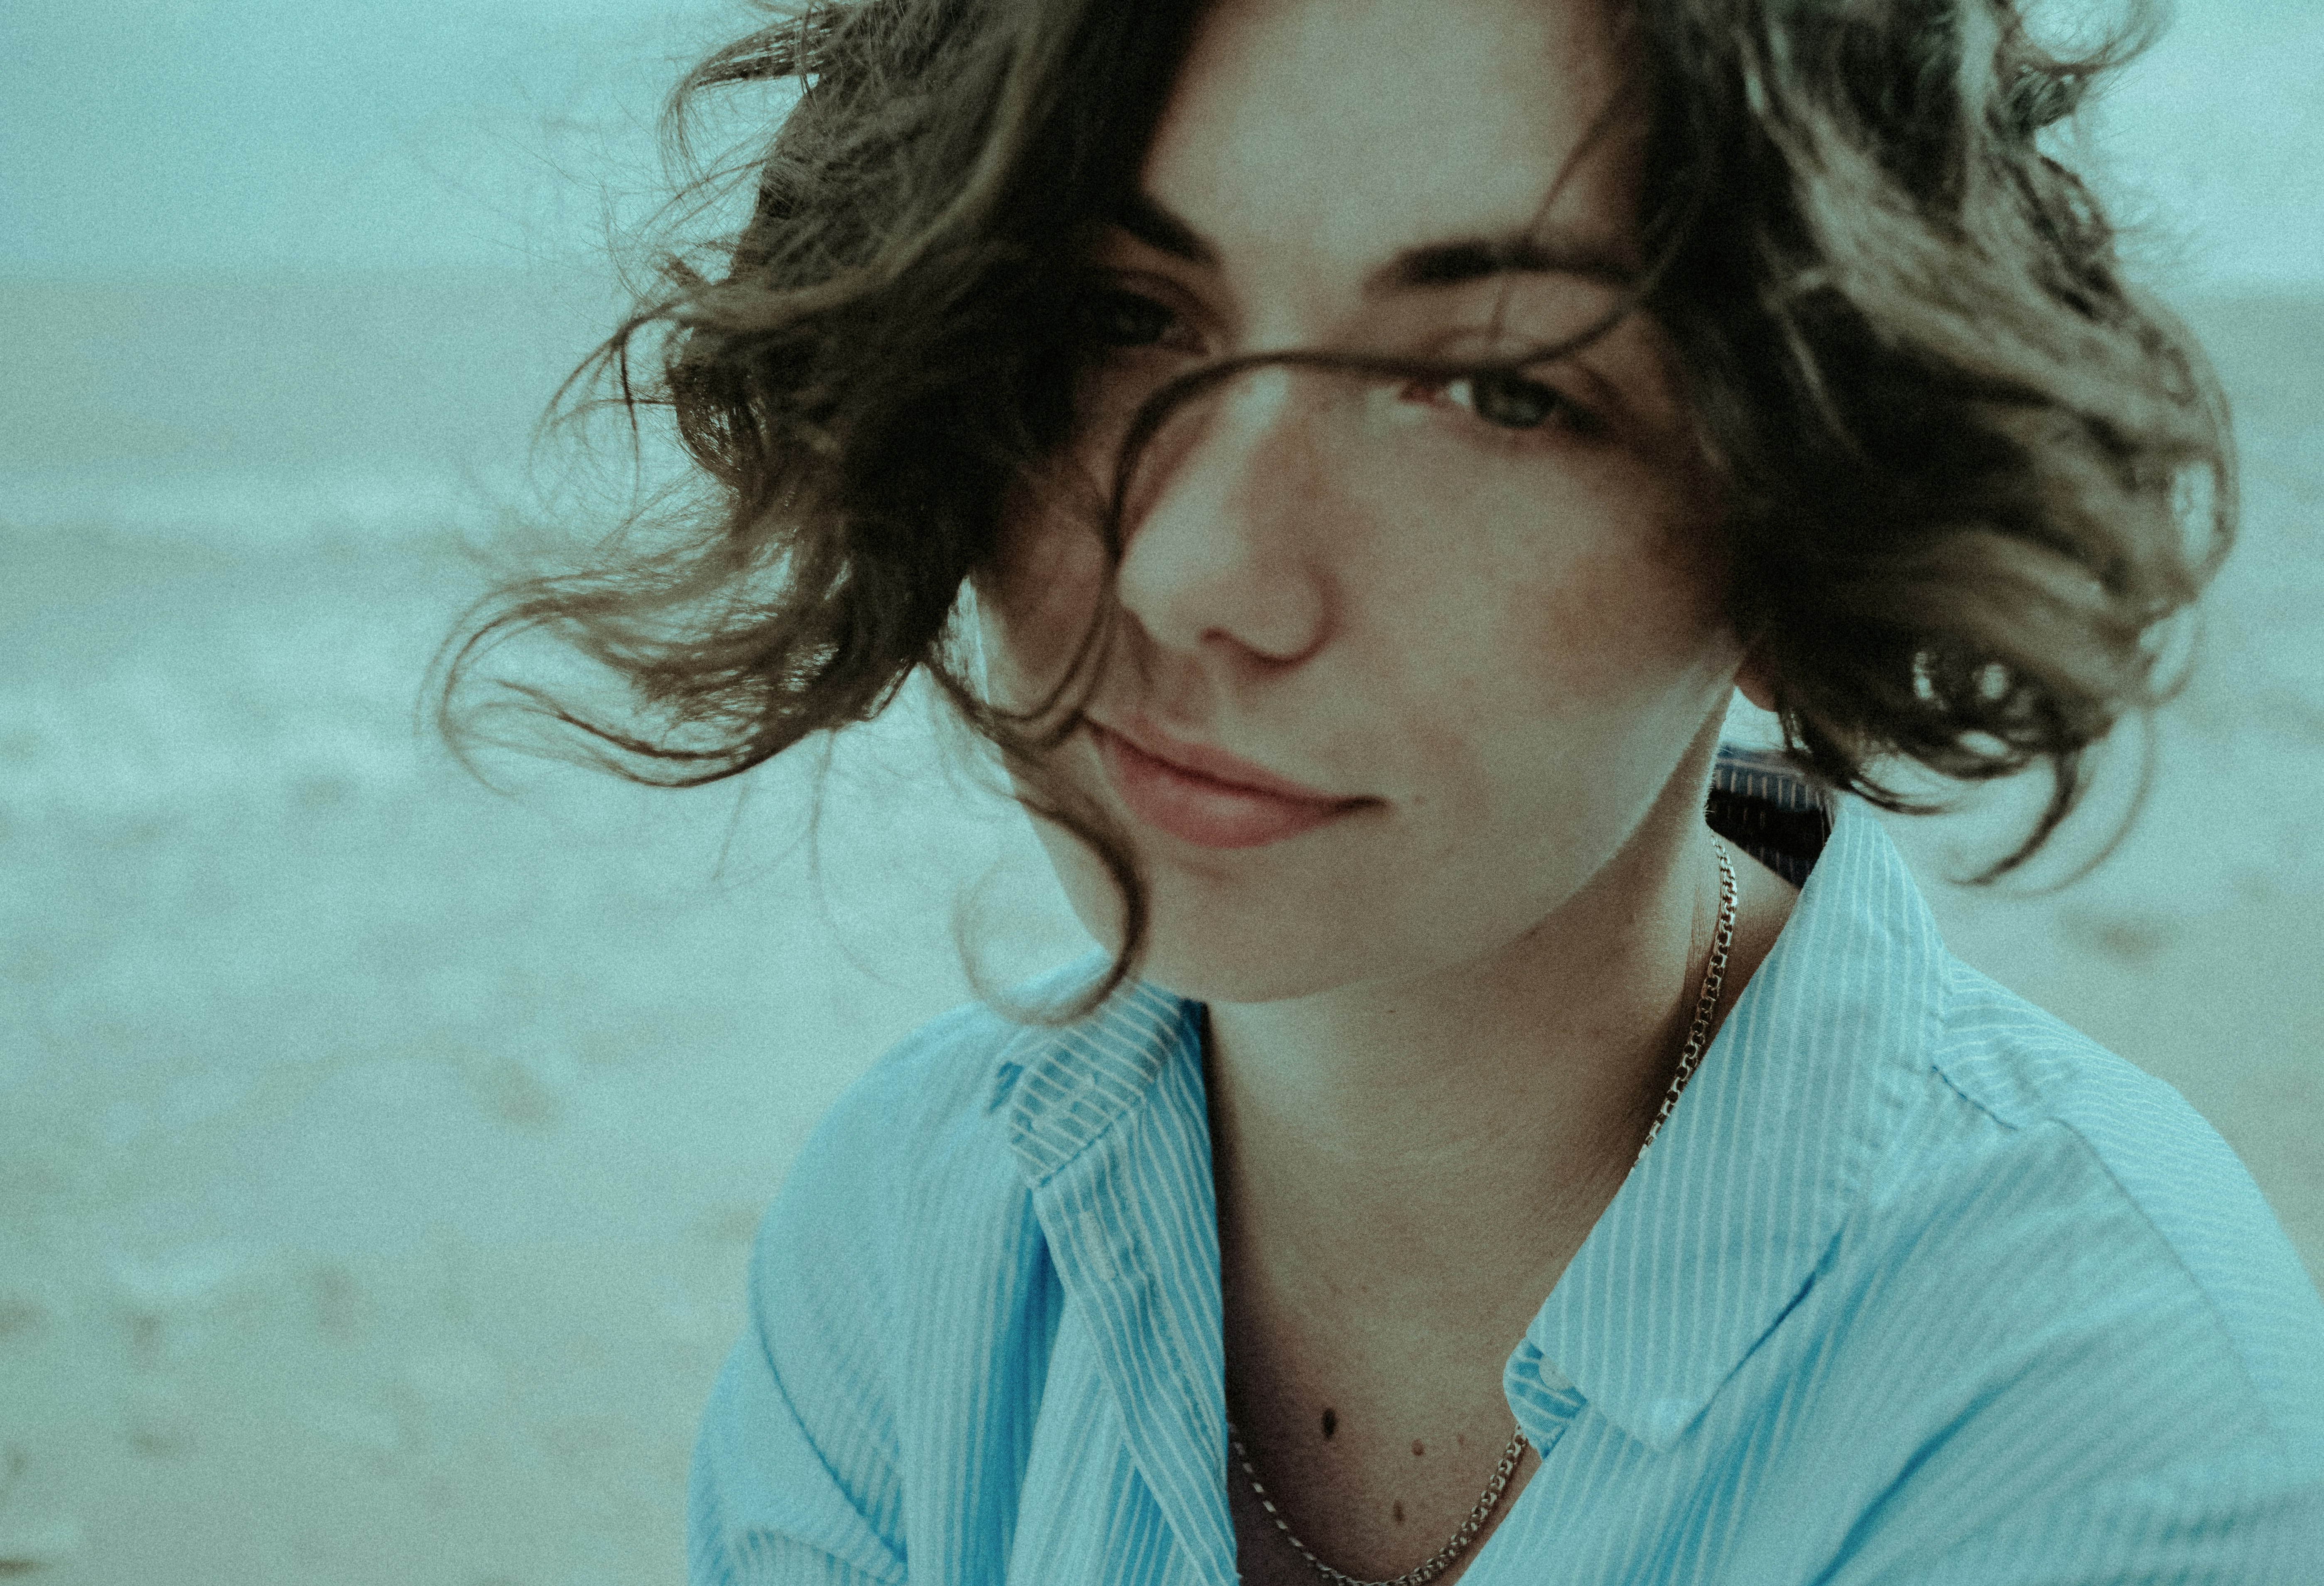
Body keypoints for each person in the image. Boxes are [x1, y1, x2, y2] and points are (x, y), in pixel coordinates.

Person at [441, 0, 2324, 1579]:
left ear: (1805, 512)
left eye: (1499, 391)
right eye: (1122, 316)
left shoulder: (2093, 1418)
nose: (1199, 571)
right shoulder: (914, 1231)